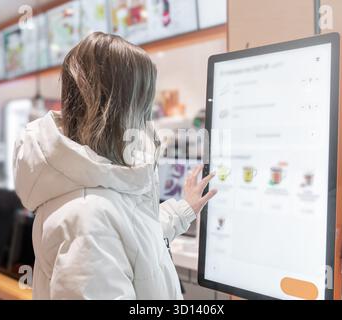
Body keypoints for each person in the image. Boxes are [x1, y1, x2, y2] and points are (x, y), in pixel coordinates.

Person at [13, 32, 217, 299]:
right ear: (119, 109)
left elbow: (133, 239)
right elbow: (110, 231)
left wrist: (183, 210)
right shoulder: (87, 218)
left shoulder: (98, 182)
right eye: (144, 103)